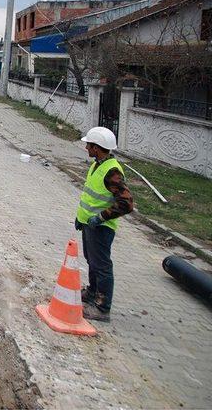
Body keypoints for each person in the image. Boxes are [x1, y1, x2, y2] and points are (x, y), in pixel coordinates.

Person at [75, 127, 134, 322]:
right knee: (91, 260)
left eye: (88, 145)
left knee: (101, 265)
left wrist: (101, 218)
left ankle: (102, 308)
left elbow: (126, 204)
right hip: (89, 225)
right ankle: (92, 293)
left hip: (101, 228)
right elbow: (91, 196)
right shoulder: (97, 165)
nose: (86, 148)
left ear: (97, 147)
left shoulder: (112, 172)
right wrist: (82, 218)